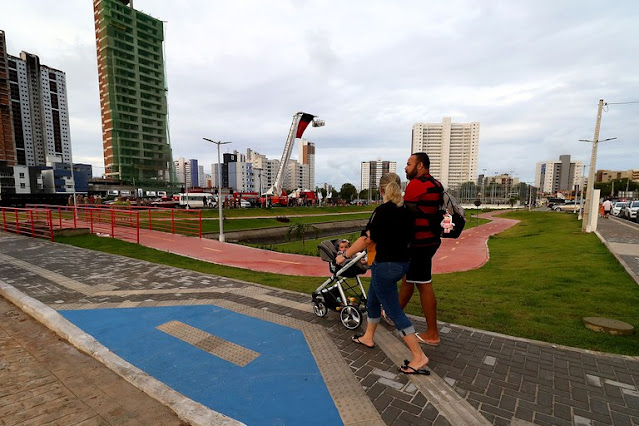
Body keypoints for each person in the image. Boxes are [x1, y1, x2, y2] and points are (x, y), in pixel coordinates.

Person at [336, 172, 430, 375]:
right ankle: (368, 337)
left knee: (394, 311)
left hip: (386, 266)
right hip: (402, 264)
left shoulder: (382, 211)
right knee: (372, 301)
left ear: (380, 190)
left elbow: (366, 240)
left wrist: (344, 255)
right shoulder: (408, 210)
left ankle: (418, 356)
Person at [397, 152, 445, 347]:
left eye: (409, 164)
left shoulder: (416, 185)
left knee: (423, 284)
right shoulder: (436, 184)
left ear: (421, 166)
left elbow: (405, 216)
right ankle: (392, 314)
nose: (406, 168)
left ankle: (432, 333)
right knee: (409, 279)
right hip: (431, 239)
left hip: (419, 242)